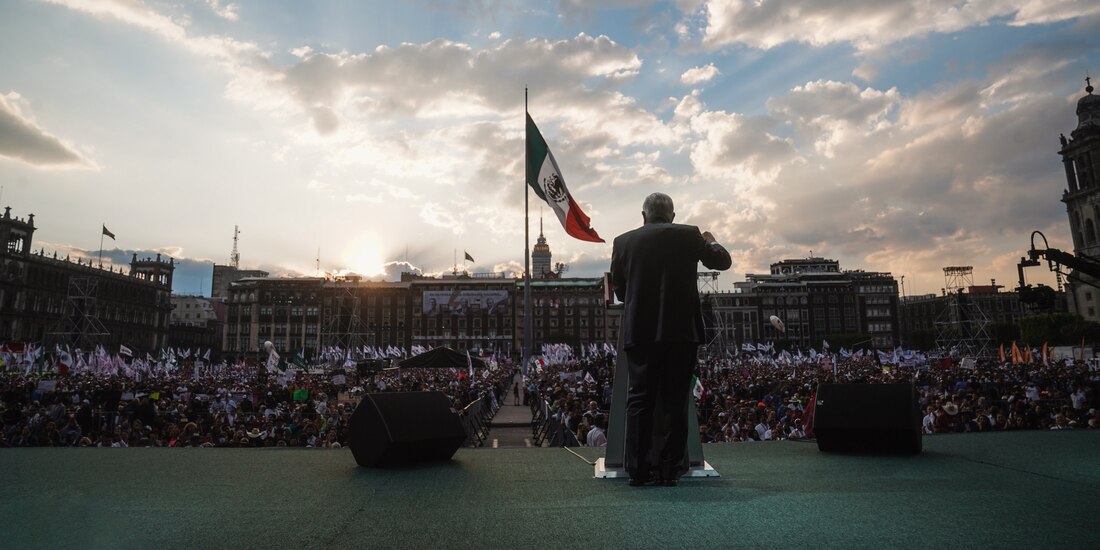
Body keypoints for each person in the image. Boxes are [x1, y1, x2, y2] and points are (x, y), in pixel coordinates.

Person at [610, 192, 731, 487]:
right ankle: (668, 472)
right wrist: (711, 240)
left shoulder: (623, 241)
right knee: (675, 400)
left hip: (640, 333)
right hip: (681, 334)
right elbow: (723, 262)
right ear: (672, 216)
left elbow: (621, 292)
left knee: (639, 400)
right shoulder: (689, 235)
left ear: (643, 216)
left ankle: (638, 470)